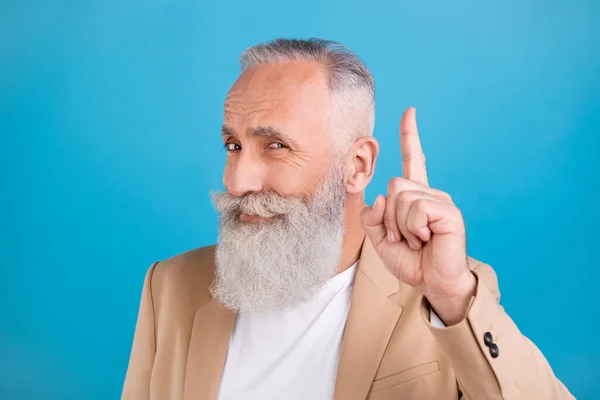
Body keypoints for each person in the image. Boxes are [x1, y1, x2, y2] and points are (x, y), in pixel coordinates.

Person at [121, 38, 574, 400]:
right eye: (233, 145)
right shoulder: (171, 286)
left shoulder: (448, 296)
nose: (238, 182)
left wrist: (452, 296)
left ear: (357, 165)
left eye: (275, 146)